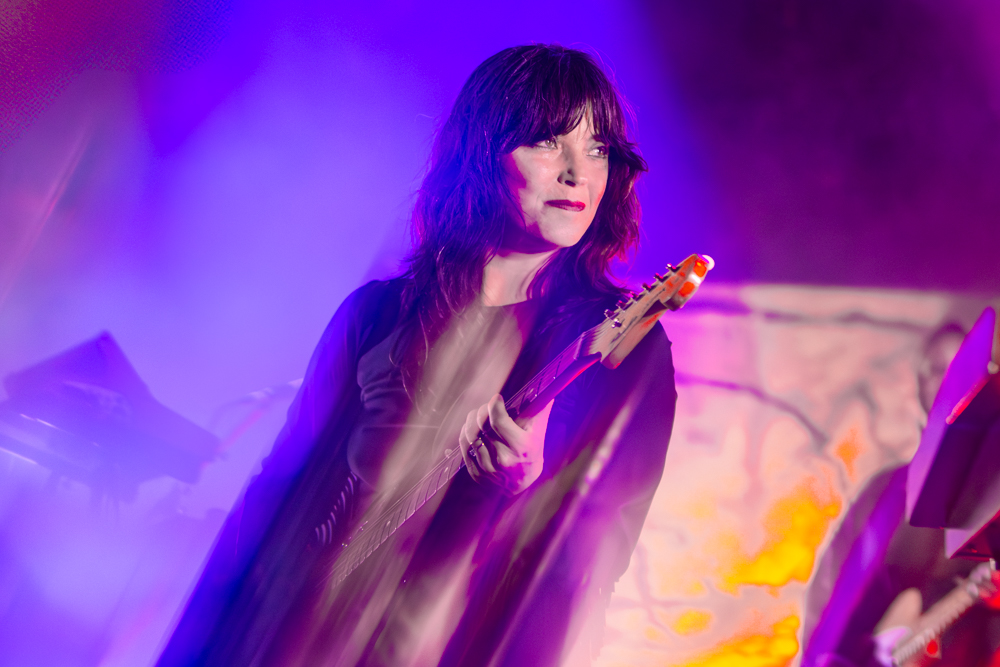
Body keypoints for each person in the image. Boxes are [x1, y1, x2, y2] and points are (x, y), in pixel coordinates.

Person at [157, 44, 677, 667]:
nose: (578, 173)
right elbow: (277, 493)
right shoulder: (376, 314)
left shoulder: (621, 345)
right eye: (547, 141)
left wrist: (523, 493)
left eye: (597, 148)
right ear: (482, 152)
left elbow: (594, 564)